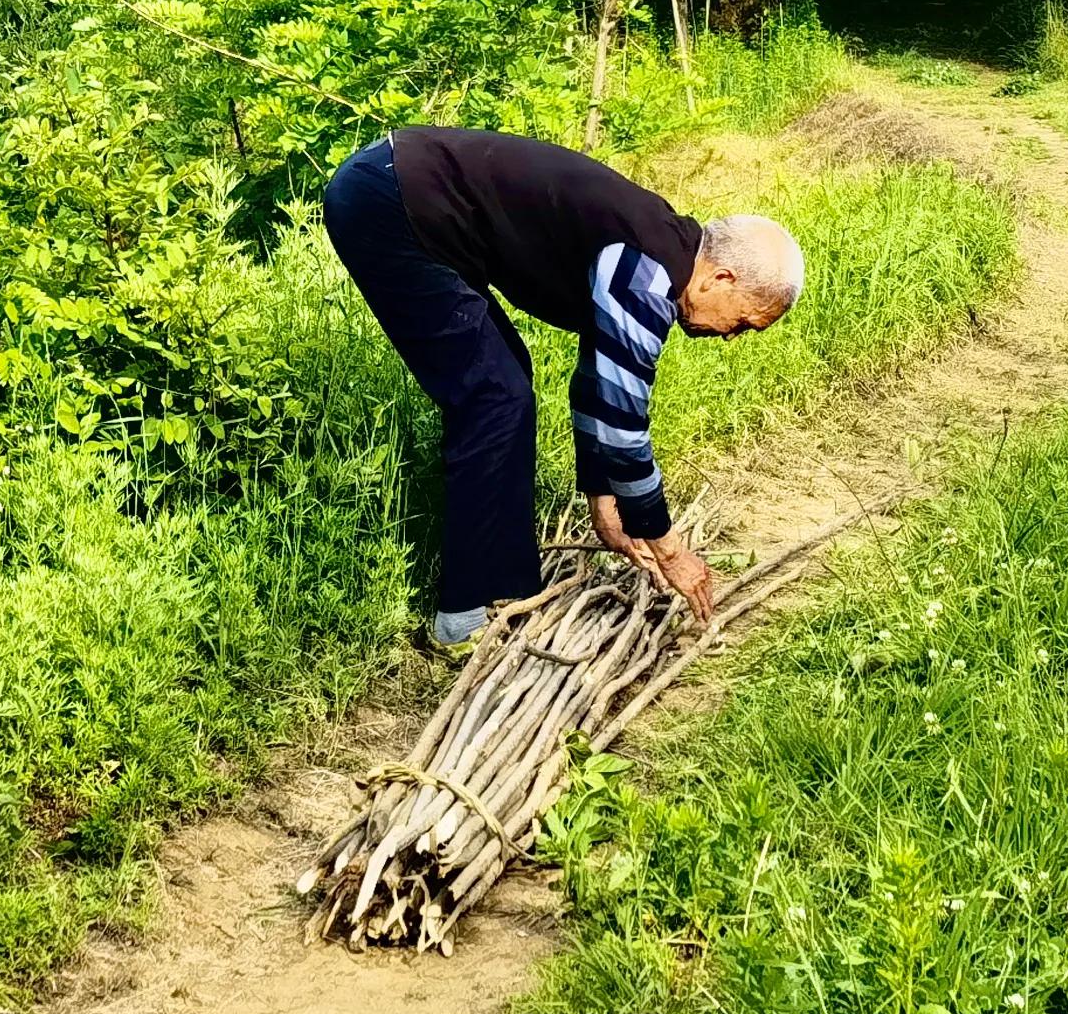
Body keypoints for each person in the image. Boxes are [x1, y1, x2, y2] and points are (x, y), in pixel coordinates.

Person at [319, 125, 806, 646]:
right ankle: (461, 620)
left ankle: (501, 592)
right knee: (494, 396)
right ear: (723, 278)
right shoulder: (646, 272)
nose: (732, 337)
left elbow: (600, 382)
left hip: (406, 195)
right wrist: (668, 546)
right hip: (391, 201)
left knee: (505, 386)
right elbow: (623, 428)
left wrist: (602, 496)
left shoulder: (656, 254)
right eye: (744, 322)